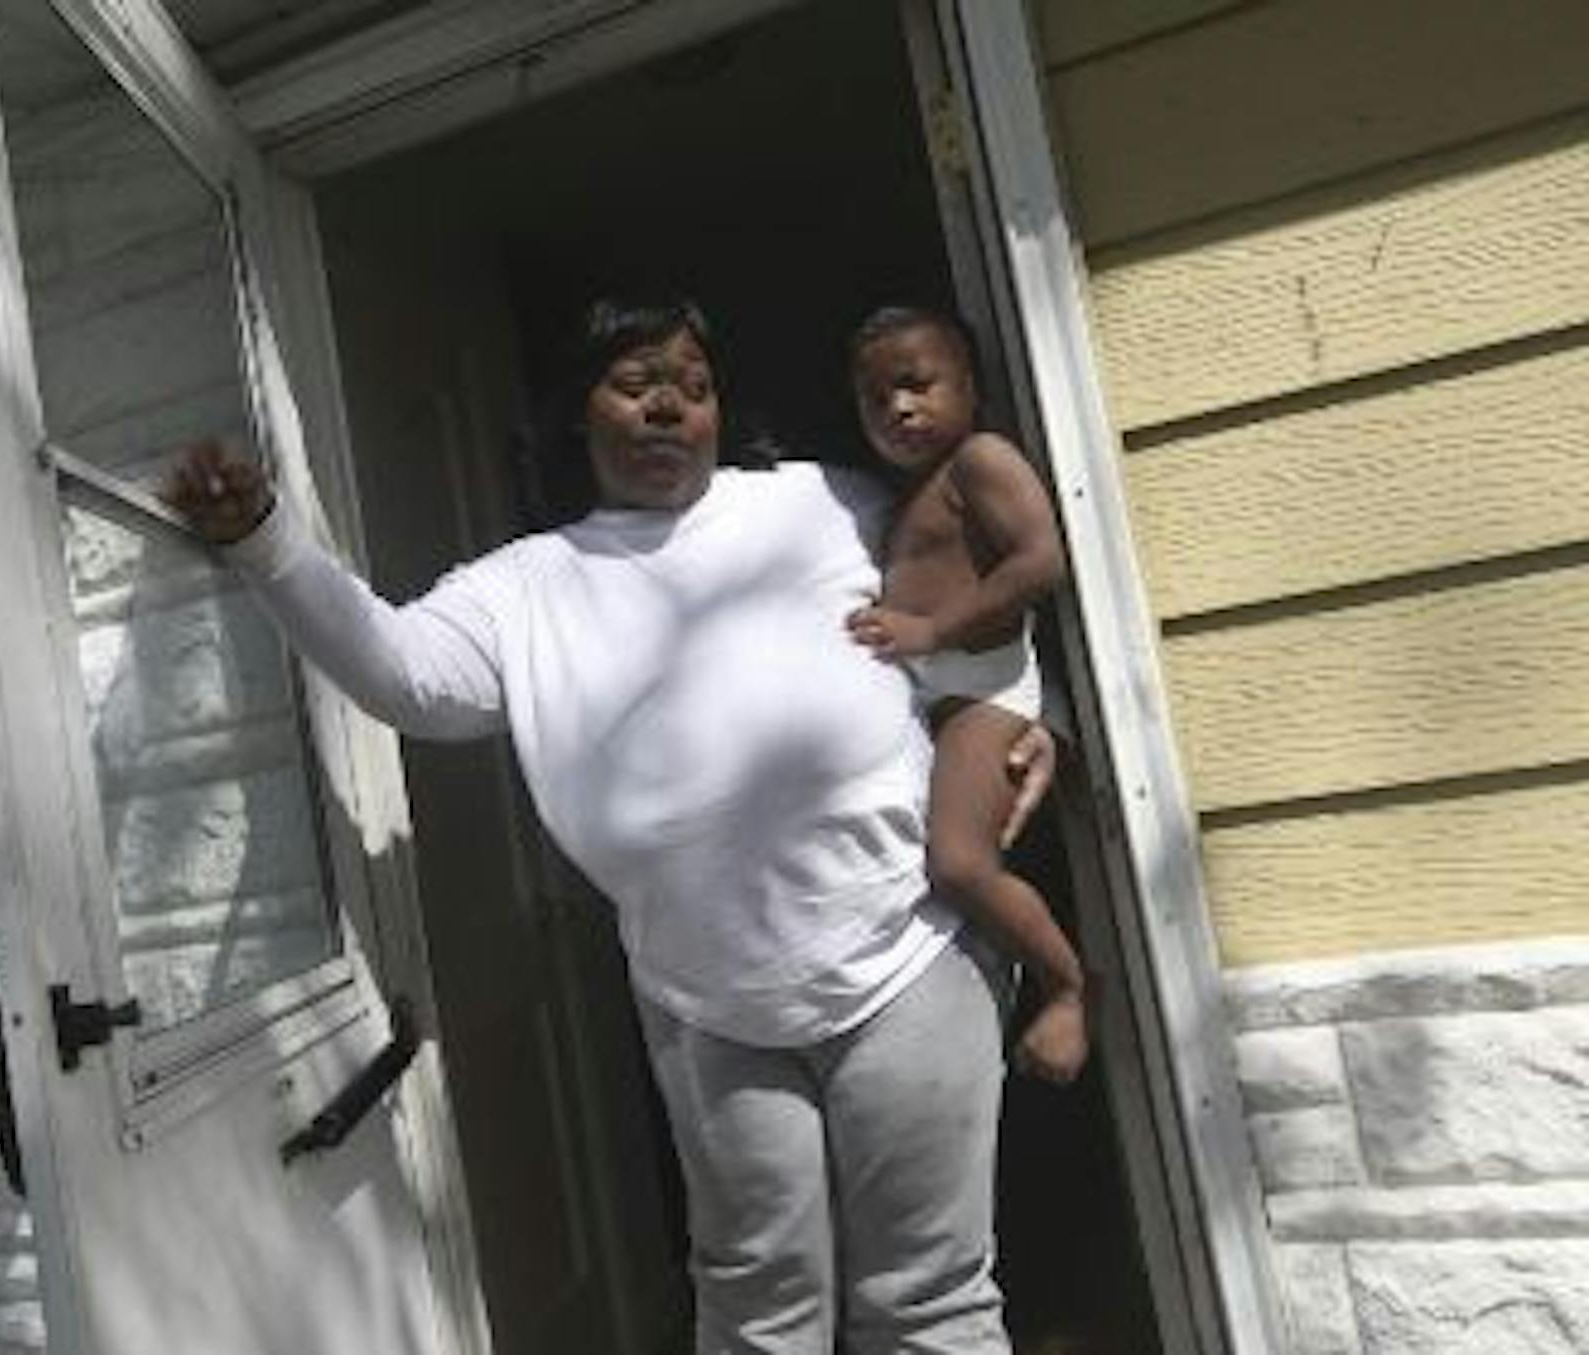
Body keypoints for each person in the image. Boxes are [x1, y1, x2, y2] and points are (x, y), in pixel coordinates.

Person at [163, 297, 1051, 1354]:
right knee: (760, 1303)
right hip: (707, 1003)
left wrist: (1040, 722)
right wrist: (267, 543)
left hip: (906, 955)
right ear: (577, 413)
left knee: (927, 1299)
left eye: (695, 386)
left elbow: (988, 596)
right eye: (635, 384)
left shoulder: (829, 502)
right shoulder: (528, 585)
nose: (669, 405)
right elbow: (402, 676)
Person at [844, 306, 1087, 1085]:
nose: (898, 408)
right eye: (876, 399)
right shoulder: (907, 492)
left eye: (918, 384)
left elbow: (1040, 560)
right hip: (938, 703)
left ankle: (1068, 986)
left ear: (971, 387)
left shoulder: (981, 459)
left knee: (958, 863)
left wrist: (929, 629)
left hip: (986, 692)